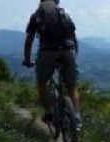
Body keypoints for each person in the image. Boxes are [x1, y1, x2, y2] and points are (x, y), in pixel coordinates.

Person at [22, 0, 81, 130]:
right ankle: (76, 117)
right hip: (68, 50)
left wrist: (27, 60)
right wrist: (75, 55)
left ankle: (49, 113)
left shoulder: (36, 16)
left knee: (41, 82)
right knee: (72, 85)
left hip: (47, 52)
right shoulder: (63, 14)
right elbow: (74, 38)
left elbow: (29, 41)